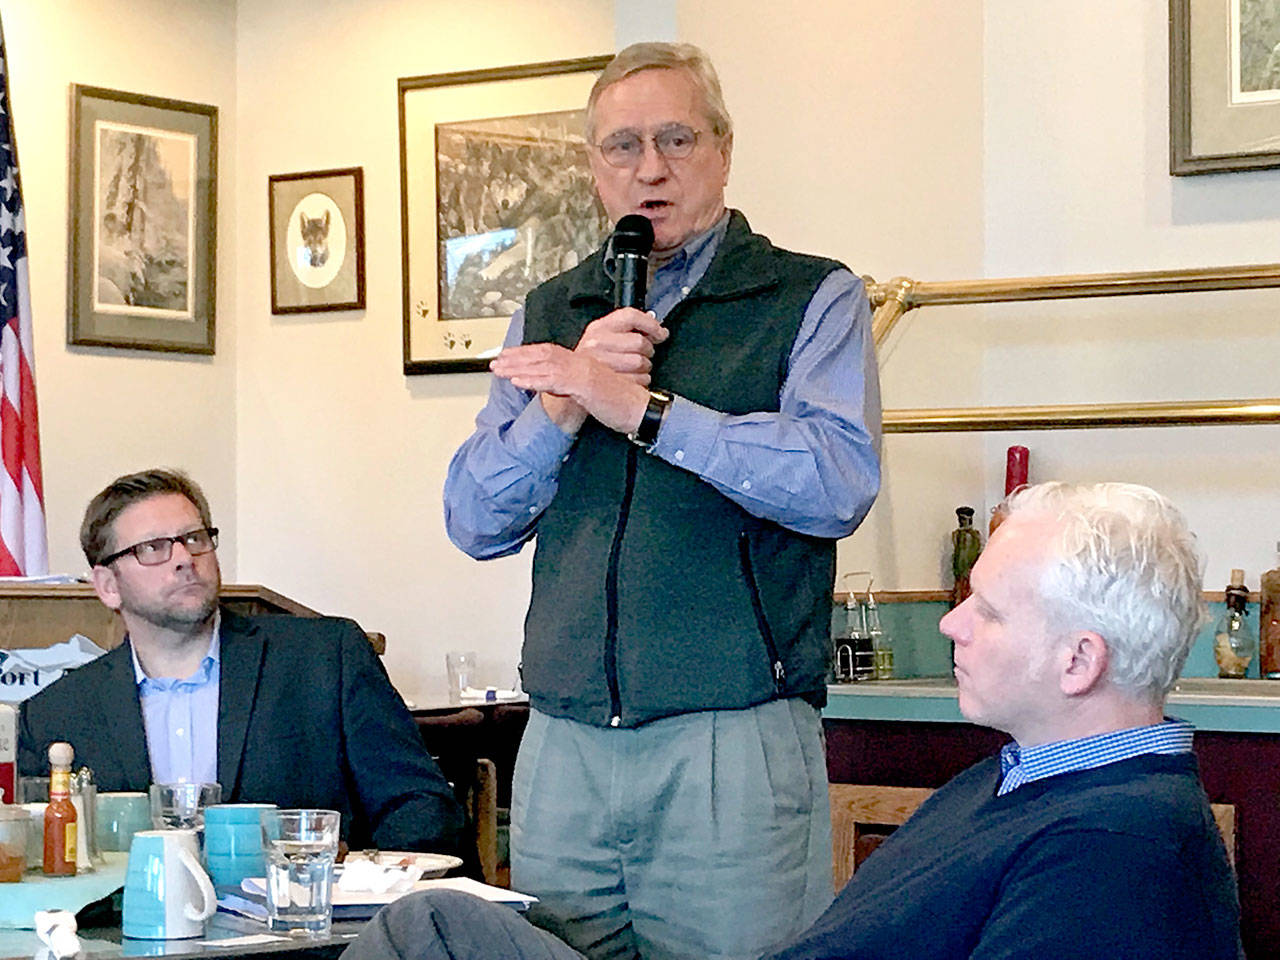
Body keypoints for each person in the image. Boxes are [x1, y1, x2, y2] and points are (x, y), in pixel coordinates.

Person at [349, 481, 1243, 960]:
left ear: (1079, 661)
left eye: (989, 611)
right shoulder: (1036, 782)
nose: (950, 623)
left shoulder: (1118, 843)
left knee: (428, 933)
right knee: (442, 923)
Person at [443, 40, 881, 960]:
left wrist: (642, 411)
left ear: (723, 149)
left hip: (732, 743)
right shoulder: (551, 312)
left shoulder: (810, 296)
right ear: (592, 169)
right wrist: (562, 405)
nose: (650, 168)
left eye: (677, 140)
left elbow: (836, 481)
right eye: (622, 146)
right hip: (562, 746)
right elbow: (475, 520)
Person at [20, 468, 466, 855]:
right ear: (107, 586)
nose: (183, 559)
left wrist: (367, 886)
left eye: (194, 539)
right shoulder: (56, 715)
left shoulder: (325, 660)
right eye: (153, 548)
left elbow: (419, 809)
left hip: (308, 937)